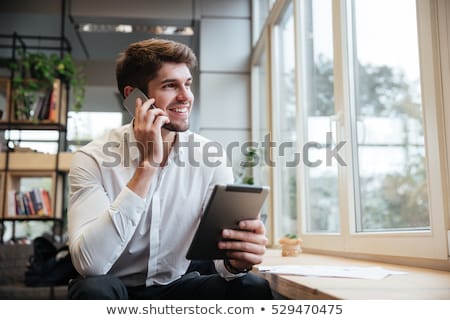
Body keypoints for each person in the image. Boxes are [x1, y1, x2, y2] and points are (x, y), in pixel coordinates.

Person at [67, 38, 273, 300]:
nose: (186, 96)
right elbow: (90, 265)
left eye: (187, 84)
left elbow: (222, 262)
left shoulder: (210, 157)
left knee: (251, 288)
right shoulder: (91, 159)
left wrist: (237, 259)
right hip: (115, 287)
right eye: (170, 86)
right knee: (92, 292)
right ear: (134, 98)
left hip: (177, 285)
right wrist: (148, 165)